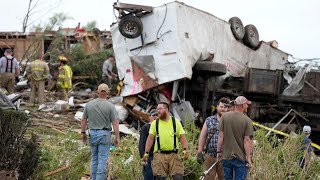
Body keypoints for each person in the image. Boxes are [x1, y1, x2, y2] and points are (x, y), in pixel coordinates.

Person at [81, 83, 120, 180]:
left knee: (94, 158)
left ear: (97, 92)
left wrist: (83, 133)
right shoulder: (110, 106)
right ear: (107, 92)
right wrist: (117, 137)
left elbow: (84, 120)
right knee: (102, 159)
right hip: (104, 134)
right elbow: (115, 123)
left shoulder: (89, 104)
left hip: (92, 133)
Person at [143, 102, 189, 180]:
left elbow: (182, 137)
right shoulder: (155, 124)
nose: (158, 111)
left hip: (174, 155)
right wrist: (146, 153)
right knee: (161, 178)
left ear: (166, 109)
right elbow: (150, 139)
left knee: (178, 177)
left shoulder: (176, 122)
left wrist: (185, 150)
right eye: (157, 109)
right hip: (159, 155)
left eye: (160, 109)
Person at [217, 96, 254, 180]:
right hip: (240, 158)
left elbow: (221, 136)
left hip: (226, 157)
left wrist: (218, 152)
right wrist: (248, 158)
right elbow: (247, 141)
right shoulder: (247, 120)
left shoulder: (224, 117)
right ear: (242, 105)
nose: (247, 106)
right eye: (246, 105)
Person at [197, 97, 230, 180]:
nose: (223, 109)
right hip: (210, 156)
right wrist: (199, 152)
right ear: (217, 107)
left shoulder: (230, 122)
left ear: (228, 109)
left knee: (225, 178)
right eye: (221, 107)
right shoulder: (209, 120)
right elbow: (203, 136)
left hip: (225, 157)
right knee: (208, 178)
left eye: (225, 107)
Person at [139, 109, 158, 180]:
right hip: (149, 157)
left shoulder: (160, 127)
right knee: (149, 177)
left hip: (158, 157)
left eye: (157, 115)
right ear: (150, 117)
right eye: (154, 116)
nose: (156, 117)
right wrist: (142, 156)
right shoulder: (146, 127)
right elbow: (142, 143)